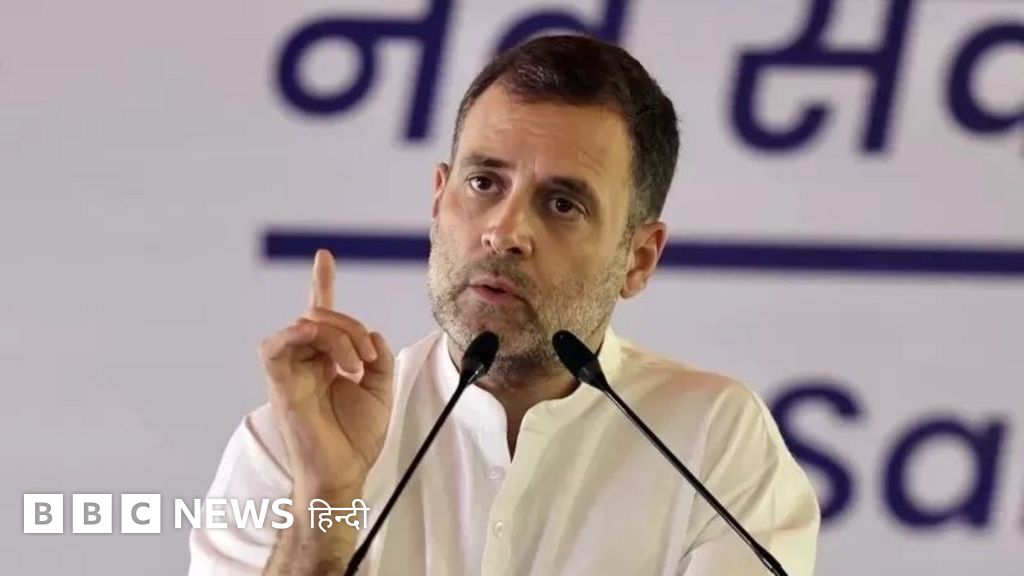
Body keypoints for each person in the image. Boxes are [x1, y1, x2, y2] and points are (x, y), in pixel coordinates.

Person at [188, 34, 820, 575]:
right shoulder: (297, 443)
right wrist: (325, 501)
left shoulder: (712, 441)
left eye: (563, 204)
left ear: (639, 259)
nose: (504, 231)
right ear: (438, 199)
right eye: (484, 182)